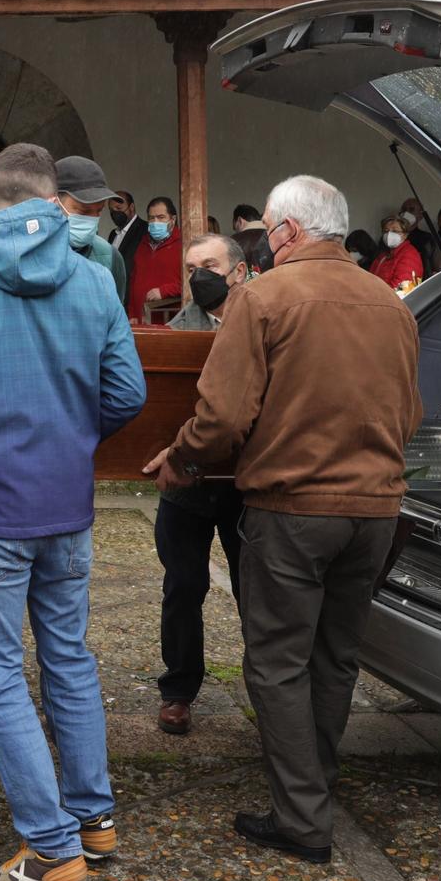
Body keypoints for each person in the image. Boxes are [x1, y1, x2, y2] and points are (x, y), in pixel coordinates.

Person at [144, 176, 422, 866]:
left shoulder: (264, 297)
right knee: (336, 656)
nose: (264, 243)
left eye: (267, 231)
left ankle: (301, 816)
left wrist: (181, 459)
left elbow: (223, 416)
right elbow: (411, 413)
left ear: (290, 233)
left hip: (295, 508)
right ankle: (315, 785)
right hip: (377, 509)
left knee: (276, 662)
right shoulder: (392, 305)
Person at [0, 143, 146, 881]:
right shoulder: (92, 278)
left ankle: (52, 851)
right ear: (57, 206)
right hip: (69, 503)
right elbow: (127, 391)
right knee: (69, 657)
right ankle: (93, 818)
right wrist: (73, 439)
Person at [154, 233, 252, 736]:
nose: (199, 275)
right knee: (183, 585)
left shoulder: (263, 315)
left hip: (246, 482)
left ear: (238, 270)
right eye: (191, 266)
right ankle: (178, 690)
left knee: (253, 587)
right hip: (186, 482)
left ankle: (265, 687)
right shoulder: (179, 327)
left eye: (209, 264)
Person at [54, 155, 128, 306]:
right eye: (84, 211)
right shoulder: (28, 252)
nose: (92, 218)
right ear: (54, 202)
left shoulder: (111, 257)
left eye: (99, 211)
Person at [127, 195, 183, 324]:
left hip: (170, 321)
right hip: (141, 320)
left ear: (172, 219)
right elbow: (133, 282)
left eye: (161, 217)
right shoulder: (142, 244)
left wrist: (164, 291)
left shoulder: (184, 245)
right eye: (151, 218)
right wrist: (132, 314)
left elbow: (192, 284)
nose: (155, 222)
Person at [369, 214, 424, 289]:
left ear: (405, 235)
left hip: (390, 299)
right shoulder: (384, 254)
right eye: (386, 231)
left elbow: (402, 289)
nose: (389, 234)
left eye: (395, 231)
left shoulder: (410, 255)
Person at [232, 203, 273, 274]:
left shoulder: (232, 241)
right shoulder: (275, 236)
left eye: (235, 228)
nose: (236, 231)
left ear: (239, 221)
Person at [106, 189, 143, 263]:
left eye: (119, 208)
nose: (115, 213)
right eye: (111, 210)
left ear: (131, 207)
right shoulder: (113, 234)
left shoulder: (145, 230)